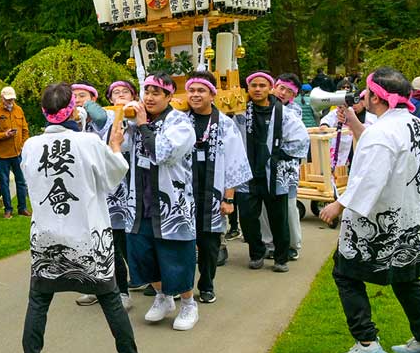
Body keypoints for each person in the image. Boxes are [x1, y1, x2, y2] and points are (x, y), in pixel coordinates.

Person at [319, 68, 420, 353]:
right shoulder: (416, 124)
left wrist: (339, 204)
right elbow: (381, 149)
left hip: (380, 217)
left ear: (376, 98)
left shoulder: (382, 132)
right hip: (410, 218)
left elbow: (371, 176)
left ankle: (366, 342)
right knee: (407, 277)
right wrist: (353, 122)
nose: (363, 95)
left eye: (367, 91)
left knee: (346, 272)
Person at [19, 82, 150, 353]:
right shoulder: (89, 142)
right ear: (73, 111)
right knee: (110, 299)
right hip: (88, 236)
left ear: (44, 112)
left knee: (39, 300)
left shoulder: (30, 146)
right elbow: (113, 177)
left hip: (47, 236)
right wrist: (115, 147)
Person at [122, 74, 202, 329]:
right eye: (146, 92)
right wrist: (123, 122)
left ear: (169, 97)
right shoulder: (136, 119)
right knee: (144, 255)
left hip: (171, 204)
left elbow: (162, 153)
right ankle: (162, 297)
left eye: (156, 93)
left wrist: (142, 125)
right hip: (140, 202)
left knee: (175, 255)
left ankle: (188, 304)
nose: (149, 97)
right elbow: (118, 147)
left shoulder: (180, 123)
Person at [184, 72, 251, 304]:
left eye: (201, 90)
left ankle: (206, 284)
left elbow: (235, 161)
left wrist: (228, 198)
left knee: (209, 244)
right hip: (185, 191)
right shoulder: (180, 121)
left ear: (212, 94)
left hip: (212, 192)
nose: (195, 95)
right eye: (191, 90)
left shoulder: (225, 124)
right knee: (182, 242)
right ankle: (181, 286)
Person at [236, 72, 310, 273]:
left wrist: (278, 156)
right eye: (253, 85)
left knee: (279, 217)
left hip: (274, 174)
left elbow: (301, 139)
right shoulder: (240, 112)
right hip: (248, 173)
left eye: (262, 85)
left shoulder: (284, 113)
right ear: (248, 88)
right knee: (247, 217)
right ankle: (256, 252)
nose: (257, 89)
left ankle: (281, 257)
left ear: (270, 88)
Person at [77, 79, 142, 307]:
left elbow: (105, 124)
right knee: (94, 242)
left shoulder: (117, 115)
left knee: (120, 242)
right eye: (116, 92)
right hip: (91, 189)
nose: (77, 100)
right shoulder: (80, 122)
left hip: (119, 189)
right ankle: (98, 286)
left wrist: (90, 109)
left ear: (94, 99)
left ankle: (127, 289)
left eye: (82, 96)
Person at [264, 73, 308, 262]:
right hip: (264, 165)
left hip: (285, 166)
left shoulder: (293, 112)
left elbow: (300, 141)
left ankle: (292, 245)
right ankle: (269, 243)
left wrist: (279, 152)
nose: (283, 93)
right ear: (274, 87)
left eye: (289, 91)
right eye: (281, 88)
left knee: (288, 206)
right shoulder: (263, 107)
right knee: (265, 206)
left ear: (294, 95)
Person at [0, 86, 30, 219]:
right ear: (2, 98)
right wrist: (4, 135)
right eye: (8, 99)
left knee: (21, 181)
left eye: (12, 99)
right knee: (4, 182)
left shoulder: (19, 110)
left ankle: (22, 208)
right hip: (2, 154)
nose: (10, 101)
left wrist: (23, 145)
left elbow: (25, 130)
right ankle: (8, 209)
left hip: (18, 152)